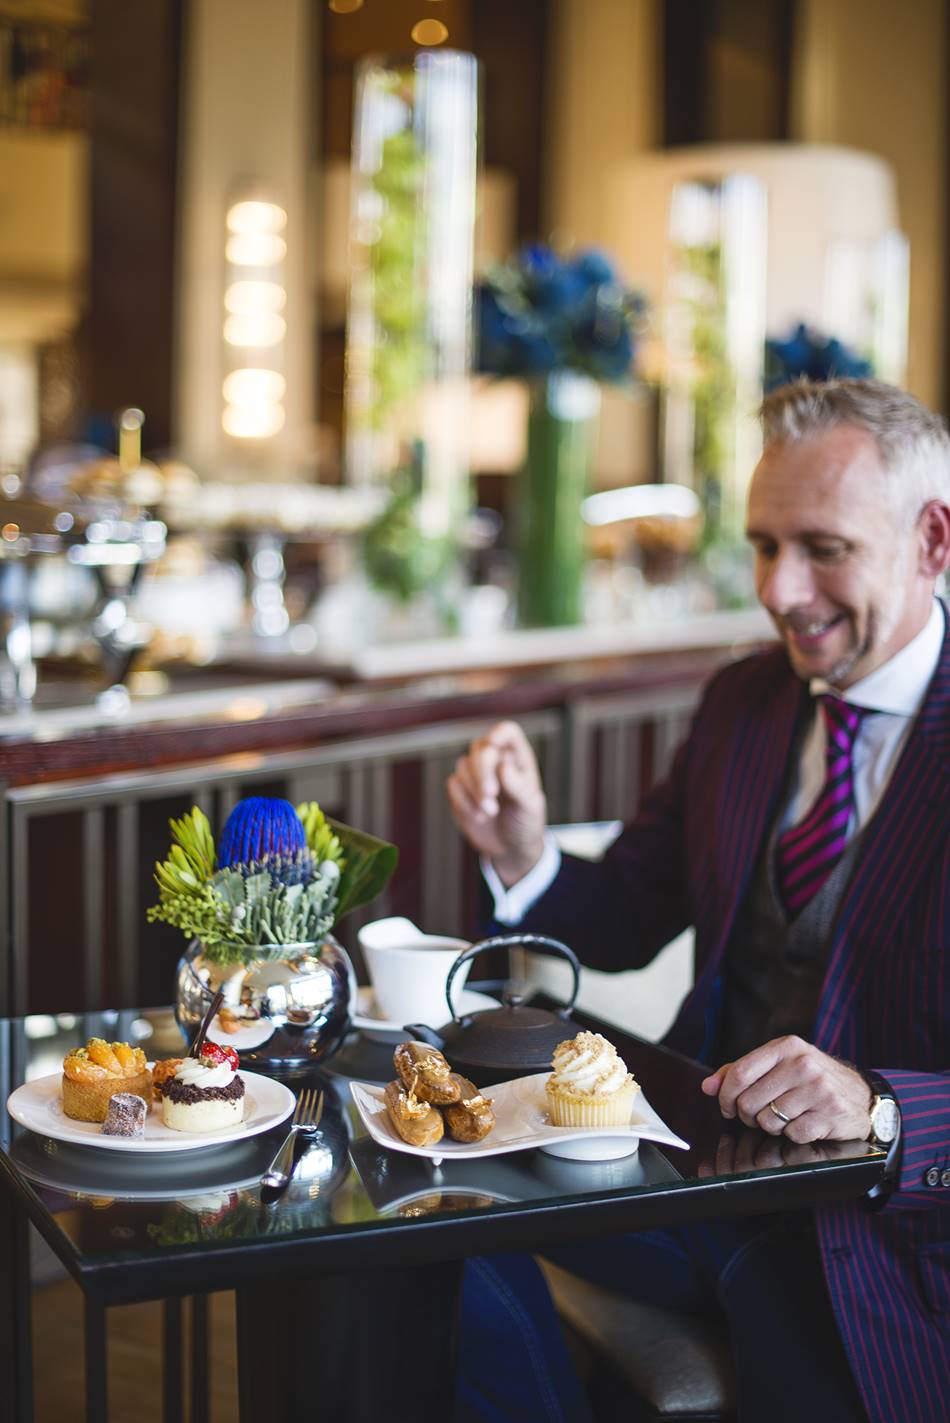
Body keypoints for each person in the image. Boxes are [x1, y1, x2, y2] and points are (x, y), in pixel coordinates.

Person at [447, 379, 950, 1423]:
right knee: (422, 1229)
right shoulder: (743, 701)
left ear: (931, 542)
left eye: (823, 548)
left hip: (883, 1234)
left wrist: (881, 1109)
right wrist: (526, 856)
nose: (779, 589)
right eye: (763, 546)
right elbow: (629, 911)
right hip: (690, 1172)